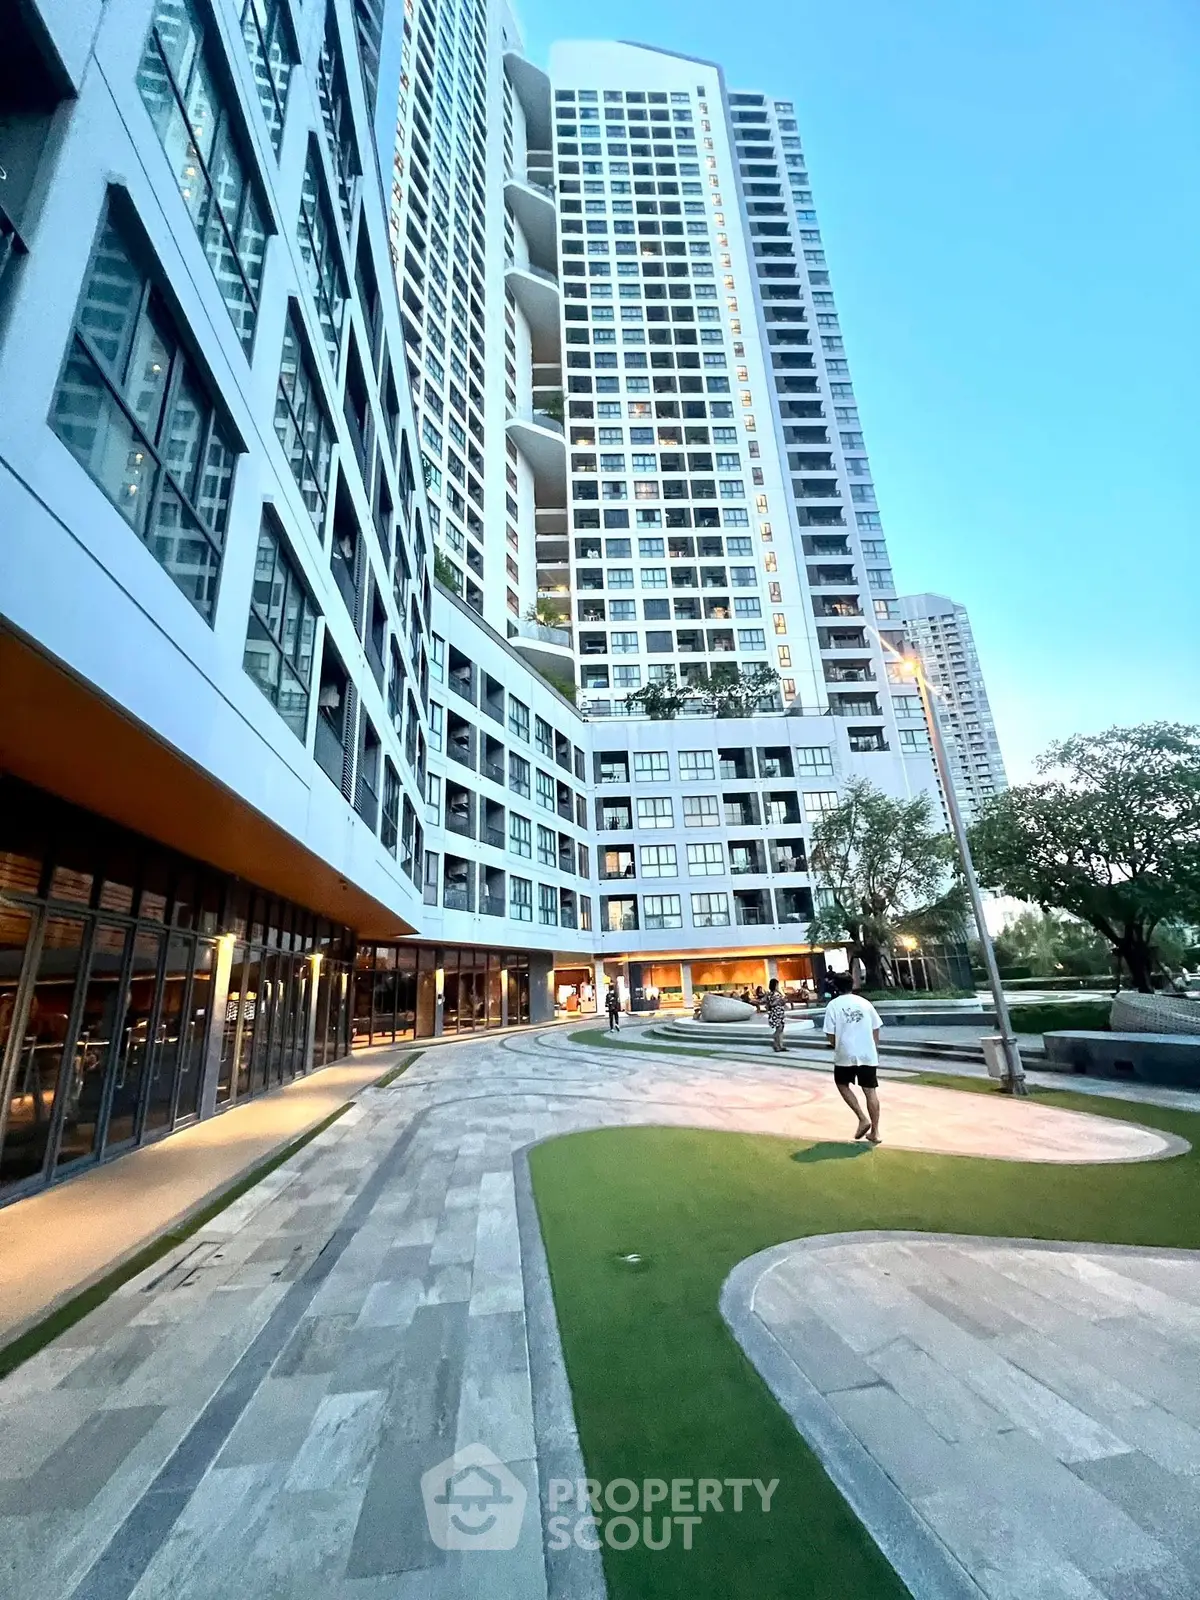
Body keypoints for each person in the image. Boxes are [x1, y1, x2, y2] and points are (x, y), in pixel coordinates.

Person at [823, 974, 883, 1143]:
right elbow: (876, 1028)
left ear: (836, 987)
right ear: (852, 984)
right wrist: (873, 1048)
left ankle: (862, 1117)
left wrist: (839, 1045)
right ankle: (876, 1132)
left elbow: (830, 1033)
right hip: (867, 1052)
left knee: (842, 1084)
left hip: (846, 1052)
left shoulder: (833, 1005)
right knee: (870, 1091)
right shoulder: (865, 1003)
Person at [762, 977, 788, 1053]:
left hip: (779, 1012)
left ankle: (780, 1045)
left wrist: (782, 1001)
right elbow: (772, 1003)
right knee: (779, 1028)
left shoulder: (775, 993)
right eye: (777, 985)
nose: (777, 986)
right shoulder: (773, 994)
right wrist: (780, 1000)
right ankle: (776, 1045)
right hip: (776, 1013)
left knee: (781, 1028)